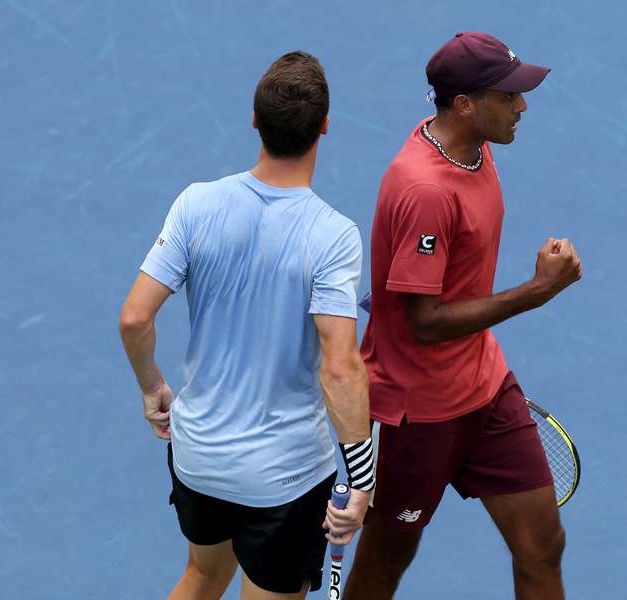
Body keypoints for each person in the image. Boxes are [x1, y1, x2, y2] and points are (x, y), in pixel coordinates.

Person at [119, 51, 375, 600]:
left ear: (255, 121)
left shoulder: (195, 204)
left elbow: (134, 317)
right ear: (324, 127)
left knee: (202, 576)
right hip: (282, 480)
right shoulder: (333, 236)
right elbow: (340, 367)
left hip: (198, 458)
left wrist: (152, 390)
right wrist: (362, 478)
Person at [343, 33, 582, 600]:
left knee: (542, 545)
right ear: (466, 104)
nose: (522, 106)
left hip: (486, 388)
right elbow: (423, 322)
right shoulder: (426, 188)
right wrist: (536, 292)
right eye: (509, 96)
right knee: (385, 561)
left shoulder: (475, 145)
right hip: (415, 414)